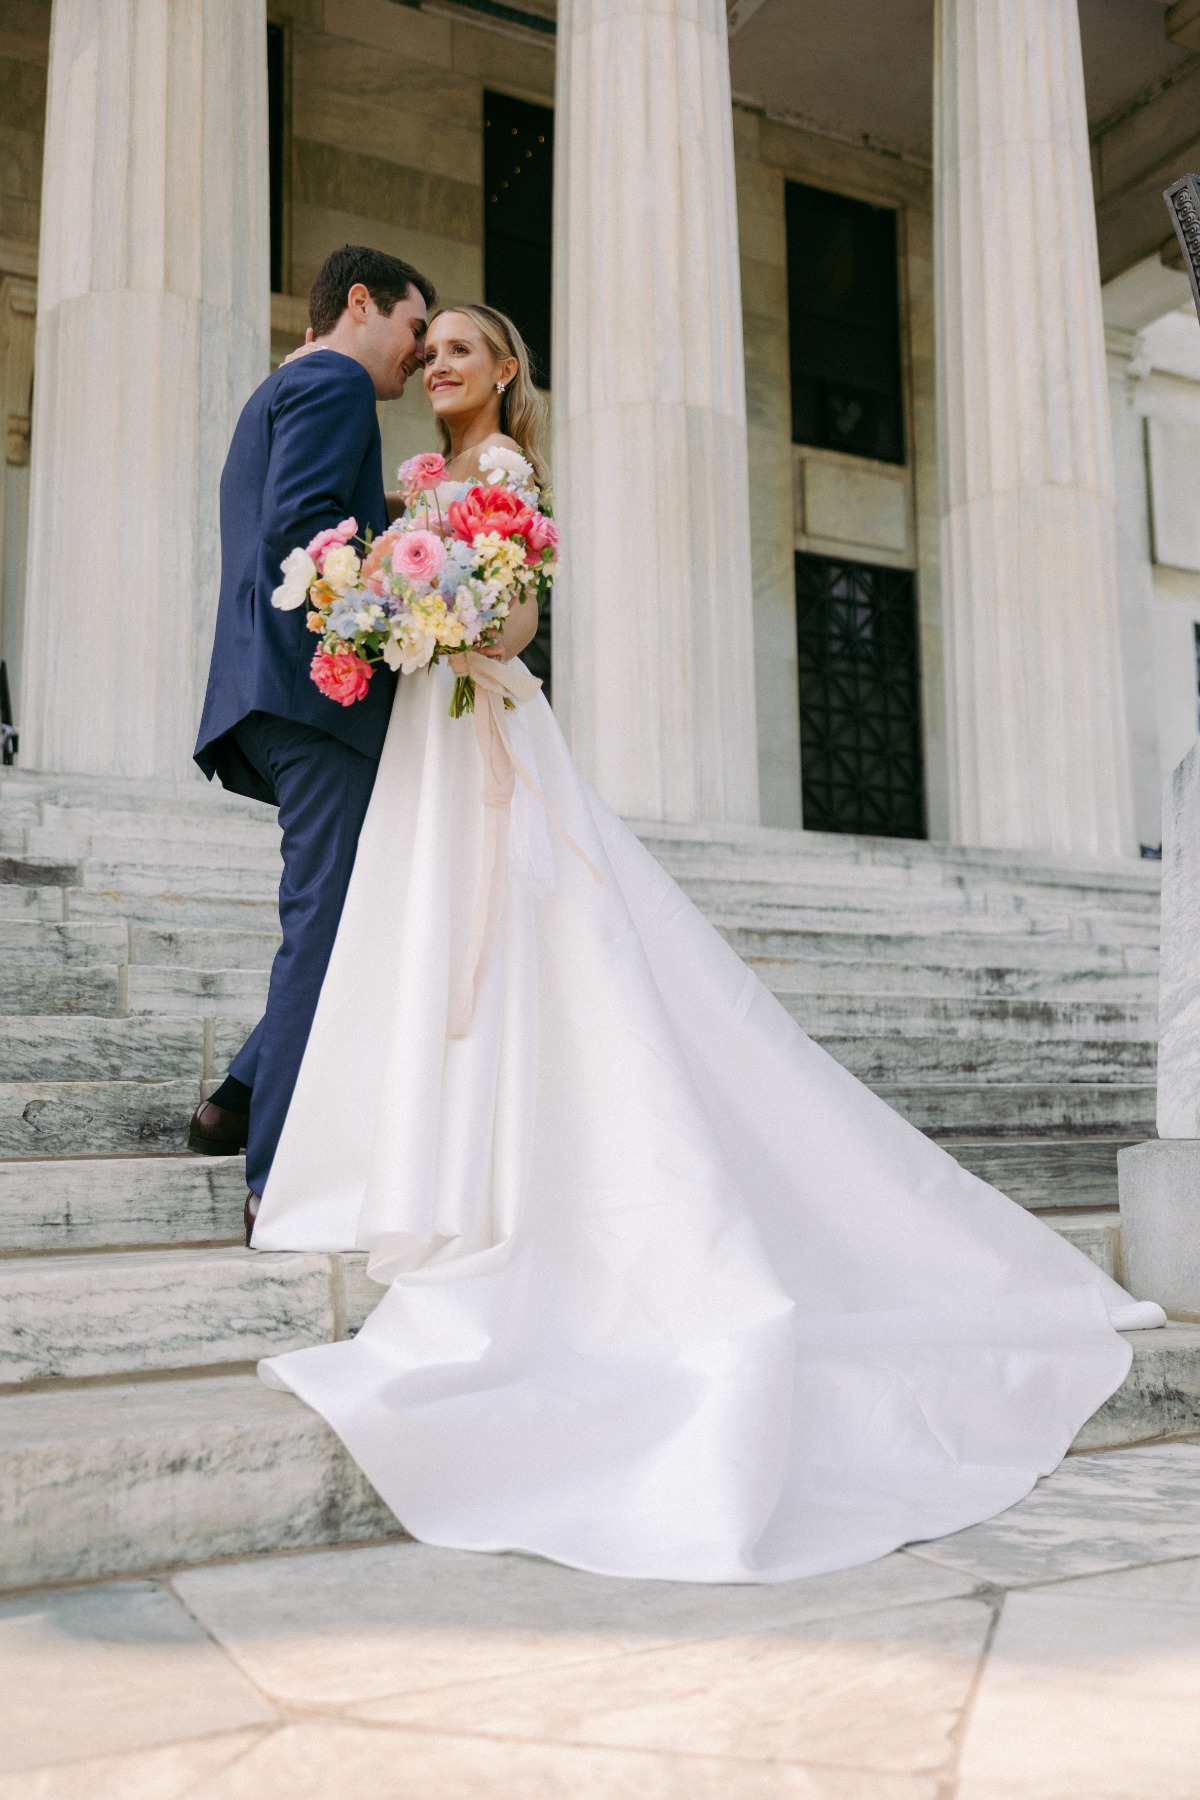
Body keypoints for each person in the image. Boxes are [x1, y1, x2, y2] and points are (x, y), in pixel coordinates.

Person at [249, 303, 1166, 1585]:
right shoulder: (424, 482)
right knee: (441, 948)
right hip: (429, 741)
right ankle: (432, 1164)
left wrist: (436, 612)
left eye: (464, 346)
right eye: (434, 345)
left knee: (528, 952)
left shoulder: (505, 476)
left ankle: (506, 1183)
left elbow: (510, 630)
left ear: (505, 371)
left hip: (483, 728)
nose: (440, 362)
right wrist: (370, 607)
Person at [192, 245, 436, 1242]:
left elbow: (299, 520)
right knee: (326, 931)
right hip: (314, 701)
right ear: (362, 305)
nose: (420, 356)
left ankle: (239, 1099)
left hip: (269, 694)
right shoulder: (336, 382)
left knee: (346, 915)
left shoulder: (280, 391)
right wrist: (412, 587)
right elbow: (304, 532)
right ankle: (276, 1174)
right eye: (416, 330)